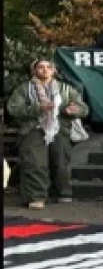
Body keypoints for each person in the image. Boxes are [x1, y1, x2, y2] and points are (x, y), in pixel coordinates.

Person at [5, 59, 88, 209]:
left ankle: (62, 192)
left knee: (61, 163)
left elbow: (84, 109)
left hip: (59, 128)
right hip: (33, 128)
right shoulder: (24, 89)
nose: (45, 70)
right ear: (34, 70)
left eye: (49, 67)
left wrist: (73, 110)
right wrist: (38, 108)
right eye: (41, 67)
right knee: (34, 163)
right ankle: (36, 197)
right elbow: (13, 108)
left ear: (54, 70)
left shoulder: (66, 89)